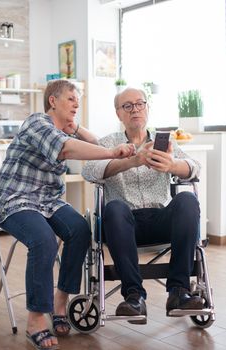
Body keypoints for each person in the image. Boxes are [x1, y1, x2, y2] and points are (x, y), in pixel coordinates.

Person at [0, 80, 135, 350]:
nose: (77, 104)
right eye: (71, 99)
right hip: (14, 198)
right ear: (53, 102)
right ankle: (36, 320)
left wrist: (77, 127)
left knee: (81, 230)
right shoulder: (36, 123)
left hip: (47, 200)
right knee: (44, 239)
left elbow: (98, 142)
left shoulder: (65, 130)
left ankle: (60, 302)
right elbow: (68, 149)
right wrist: (110, 152)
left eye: (78, 100)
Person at [82, 87, 204, 325]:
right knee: (115, 207)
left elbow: (195, 167)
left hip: (160, 218)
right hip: (123, 222)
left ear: (147, 108)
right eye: (127, 106)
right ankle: (134, 296)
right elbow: (89, 171)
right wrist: (132, 161)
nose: (135, 109)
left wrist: (172, 165)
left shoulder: (165, 142)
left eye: (139, 104)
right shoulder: (108, 143)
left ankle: (179, 292)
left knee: (188, 199)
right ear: (119, 114)